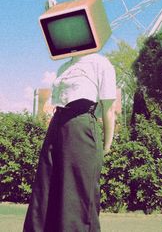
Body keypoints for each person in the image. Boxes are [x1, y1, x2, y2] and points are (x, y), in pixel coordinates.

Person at [23, 53, 116, 232]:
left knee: (77, 196)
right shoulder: (64, 67)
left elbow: (109, 108)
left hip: (81, 126)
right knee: (46, 188)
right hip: (56, 125)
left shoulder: (101, 62)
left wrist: (107, 145)